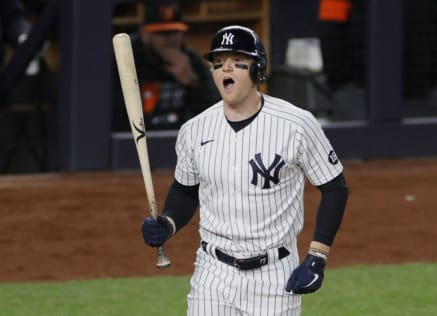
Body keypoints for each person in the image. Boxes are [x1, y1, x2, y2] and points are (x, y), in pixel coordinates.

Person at [141, 25, 349, 315]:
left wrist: (317, 255)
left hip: (274, 277)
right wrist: (169, 222)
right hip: (212, 273)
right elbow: (185, 190)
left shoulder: (296, 124)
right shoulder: (193, 130)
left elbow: (334, 187)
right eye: (218, 62)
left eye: (237, 60)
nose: (225, 67)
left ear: (258, 70)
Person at [112, 2, 220, 131]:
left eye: (174, 32)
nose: (170, 39)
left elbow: (215, 114)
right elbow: (115, 118)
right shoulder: (126, 61)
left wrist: (192, 83)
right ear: (145, 34)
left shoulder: (191, 60)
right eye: (161, 34)